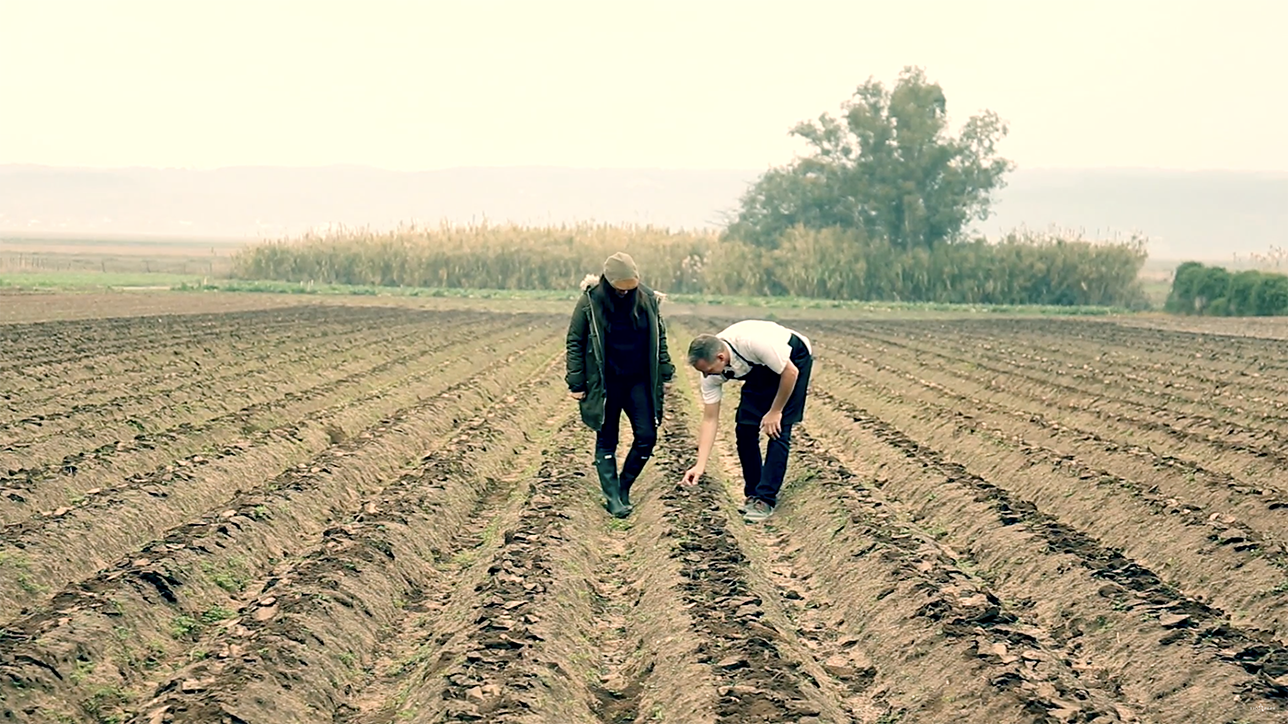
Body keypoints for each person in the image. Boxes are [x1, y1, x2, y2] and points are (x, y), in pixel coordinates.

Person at [565, 252, 675, 518]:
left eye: (630, 288)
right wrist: (576, 382)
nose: (625, 293)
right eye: (619, 289)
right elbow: (575, 342)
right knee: (607, 438)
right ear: (608, 282)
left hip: (638, 380)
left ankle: (624, 487)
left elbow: (659, 337)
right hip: (606, 381)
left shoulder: (648, 299)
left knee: (647, 436)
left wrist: (665, 370)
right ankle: (612, 496)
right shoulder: (590, 302)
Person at [680, 320, 814, 523]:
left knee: (778, 430)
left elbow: (790, 372)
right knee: (744, 429)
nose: (706, 376)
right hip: (758, 369)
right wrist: (700, 465)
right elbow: (709, 419)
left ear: (720, 357)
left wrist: (775, 411)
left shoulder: (755, 343)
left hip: (792, 361)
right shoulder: (711, 371)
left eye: (708, 370)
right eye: (702, 372)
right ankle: (753, 492)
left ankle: (766, 498)